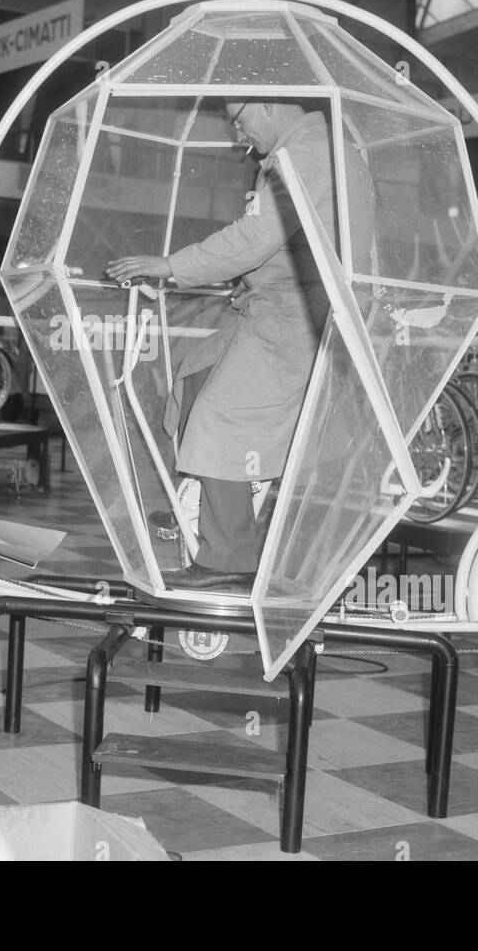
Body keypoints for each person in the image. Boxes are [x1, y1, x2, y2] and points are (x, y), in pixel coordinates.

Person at [106, 100, 333, 591]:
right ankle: (206, 502)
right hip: (268, 307)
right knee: (193, 377)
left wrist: (171, 265)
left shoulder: (310, 151)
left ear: (268, 103)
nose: (238, 135)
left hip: (296, 318)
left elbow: (257, 237)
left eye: (238, 119)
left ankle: (229, 556)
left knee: (220, 418)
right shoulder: (293, 153)